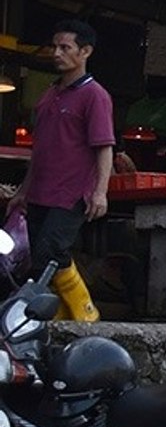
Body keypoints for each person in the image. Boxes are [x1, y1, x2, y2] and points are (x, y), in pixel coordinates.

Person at [6, 20, 112, 321]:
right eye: (55, 46)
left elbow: (104, 147)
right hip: (40, 191)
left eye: (65, 47)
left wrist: (100, 192)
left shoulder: (95, 95)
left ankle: (86, 315)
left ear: (85, 51)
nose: (56, 53)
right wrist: (22, 192)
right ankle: (60, 321)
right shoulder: (49, 94)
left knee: (49, 253)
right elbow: (38, 152)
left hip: (71, 192)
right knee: (38, 262)